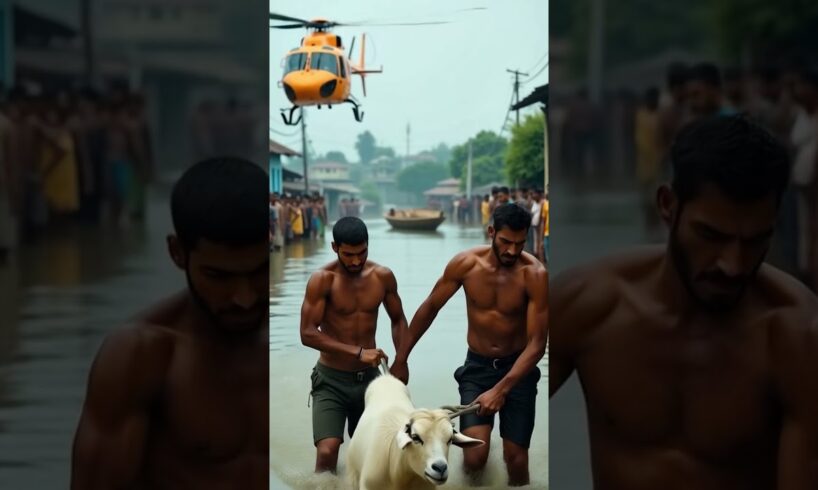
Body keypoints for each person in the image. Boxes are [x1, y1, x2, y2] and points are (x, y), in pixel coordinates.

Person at [549, 115, 818, 489]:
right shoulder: (589, 304)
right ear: (667, 206)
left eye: (756, 240)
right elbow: (496, 413)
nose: (733, 265)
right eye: (711, 234)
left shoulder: (797, 335)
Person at [71, 157, 269, 489]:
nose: (244, 298)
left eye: (260, 271)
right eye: (219, 276)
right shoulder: (142, 357)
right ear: (178, 253)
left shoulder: (314, 336)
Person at [391, 204, 547, 486]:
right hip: (478, 367)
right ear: (491, 232)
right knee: (475, 456)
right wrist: (401, 358)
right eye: (505, 242)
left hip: (518, 369)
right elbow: (430, 307)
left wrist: (501, 390)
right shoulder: (465, 265)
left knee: (517, 459)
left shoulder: (534, 274)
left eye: (520, 243)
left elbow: (537, 344)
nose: (512, 251)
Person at [300, 216, 408, 473]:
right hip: (331, 381)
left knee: (374, 455)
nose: (356, 261)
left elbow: (398, 319)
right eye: (348, 254)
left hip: (371, 382)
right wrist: (358, 353)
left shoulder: (382, 276)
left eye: (362, 252)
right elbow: (307, 333)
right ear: (335, 247)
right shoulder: (322, 279)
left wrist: (401, 360)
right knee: (327, 451)